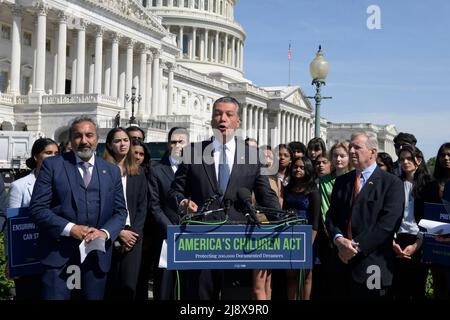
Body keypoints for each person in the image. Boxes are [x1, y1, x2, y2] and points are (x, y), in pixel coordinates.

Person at [169, 96, 280, 300]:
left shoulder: (253, 157)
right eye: (218, 114)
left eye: (229, 114)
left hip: (238, 244)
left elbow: (267, 198)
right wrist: (183, 202)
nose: (223, 119)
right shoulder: (193, 152)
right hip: (201, 242)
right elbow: (175, 192)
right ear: (211, 120)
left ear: (238, 122)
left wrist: (283, 226)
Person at [29, 116, 127, 300]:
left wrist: (104, 233)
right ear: (71, 140)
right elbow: (37, 209)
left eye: (89, 135)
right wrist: (70, 229)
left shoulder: (112, 171)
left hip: (96, 259)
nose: (84, 141)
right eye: (78, 136)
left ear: (97, 139)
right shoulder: (53, 165)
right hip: (58, 259)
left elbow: (120, 212)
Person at [325, 131, 404, 299]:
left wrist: (355, 247)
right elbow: (331, 217)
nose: (351, 151)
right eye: (350, 147)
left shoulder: (391, 183)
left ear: (372, 152)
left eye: (357, 147)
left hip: (372, 264)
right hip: (340, 263)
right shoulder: (342, 181)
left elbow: (387, 224)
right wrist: (339, 240)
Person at [8, 138, 59, 300]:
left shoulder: (63, 183)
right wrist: (12, 260)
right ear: (36, 157)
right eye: (48, 153)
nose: (53, 157)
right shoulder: (20, 186)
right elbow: (13, 226)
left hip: (56, 255)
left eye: (56, 153)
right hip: (28, 257)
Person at [103, 128, 148, 300]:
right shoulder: (102, 171)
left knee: (128, 286)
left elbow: (142, 206)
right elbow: (99, 207)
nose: (123, 144)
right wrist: (118, 231)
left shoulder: (138, 171)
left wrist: (134, 234)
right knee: (109, 286)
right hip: (109, 233)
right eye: (117, 141)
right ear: (109, 145)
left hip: (133, 236)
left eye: (125, 140)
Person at [149, 127, 189, 300]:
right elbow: (154, 205)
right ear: (168, 145)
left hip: (191, 233)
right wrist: (170, 229)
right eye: (173, 141)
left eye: (181, 141)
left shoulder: (196, 169)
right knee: (165, 285)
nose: (177, 145)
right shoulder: (156, 170)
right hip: (166, 234)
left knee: (188, 285)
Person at [391, 145, 430, 300]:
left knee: (417, 288)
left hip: (419, 239)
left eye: (409, 158)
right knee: (400, 289)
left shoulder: (428, 185)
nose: (405, 162)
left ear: (418, 161)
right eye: (402, 159)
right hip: (398, 239)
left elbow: (429, 217)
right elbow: (391, 214)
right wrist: (392, 241)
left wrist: (417, 245)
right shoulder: (395, 184)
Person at [283, 156, 320, 300]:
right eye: (295, 167)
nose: (298, 169)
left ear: (308, 170)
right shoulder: (287, 189)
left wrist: (310, 241)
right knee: (290, 275)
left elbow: (315, 220)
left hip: (307, 235)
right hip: (289, 234)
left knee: (305, 275)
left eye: (302, 167)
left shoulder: (313, 190)